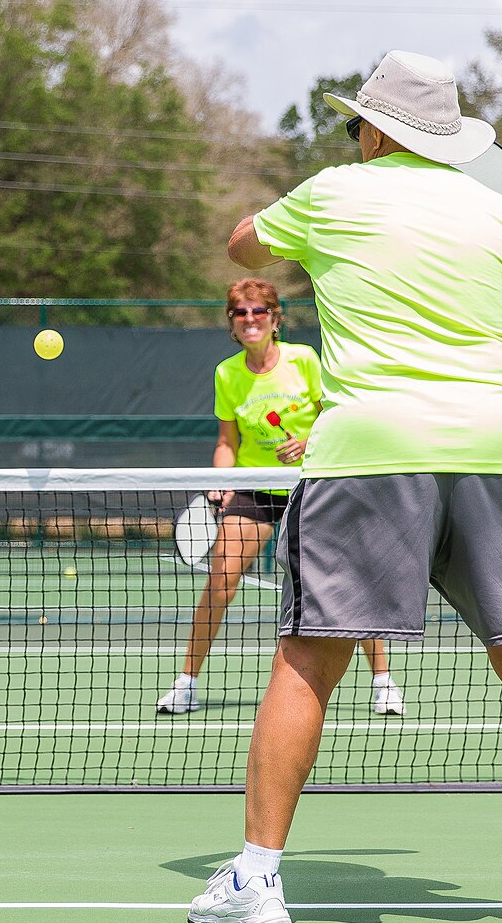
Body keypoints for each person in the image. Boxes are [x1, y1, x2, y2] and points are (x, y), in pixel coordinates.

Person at [187, 51, 502, 923]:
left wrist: (305, 230)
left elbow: (242, 245)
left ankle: (257, 883)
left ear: (381, 130)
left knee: (309, 661)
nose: (352, 137)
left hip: (369, 453)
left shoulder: (332, 194)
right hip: (494, 452)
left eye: (357, 124)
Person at [157, 278, 403, 718]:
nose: (250, 319)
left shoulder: (304, 360)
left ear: (275, 319)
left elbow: (339, 414)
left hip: (314, 483)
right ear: (231, 325)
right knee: (220, 578)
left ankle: (383, 683)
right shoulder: (227, 373)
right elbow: (226, 441)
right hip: (256, 488)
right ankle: (186, 683)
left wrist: (309, 441)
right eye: (240, 313)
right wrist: (220, 479)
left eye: (259, 311)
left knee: (350, 582)